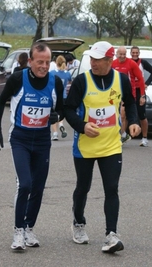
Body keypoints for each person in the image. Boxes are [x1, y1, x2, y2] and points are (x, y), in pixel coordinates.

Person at [64, 41, 141, 253]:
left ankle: (111, 235)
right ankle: (78, 222)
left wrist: (133, 121)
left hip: (111, 146)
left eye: (97, 59)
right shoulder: (82, 81)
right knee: (83, 187)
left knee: (111, 188)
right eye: (91, 59)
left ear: (109, 61)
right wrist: (82, 126)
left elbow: (131, 102)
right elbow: (68, 109)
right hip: (85, 147)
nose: (93, 63)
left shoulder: (121, 79)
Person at [0, 42, 65, 251]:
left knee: (39, 187)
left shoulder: (56, 82)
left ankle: (29, 228)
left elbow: (62, 110)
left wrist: (57, 116)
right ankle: (18, 231)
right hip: (20, 138)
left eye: (47, 62)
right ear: (30, 61)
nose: (44, 66)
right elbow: (0, 102)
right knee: (24, 184)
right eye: (40, 62)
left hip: (42, 140)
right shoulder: (18, 78)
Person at [111, 46, 145, 144]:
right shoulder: (113, 63)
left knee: (123, 114)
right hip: (114, 94)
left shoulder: (131, 64)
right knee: (118, 115)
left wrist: (142, 95)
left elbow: (140, 79)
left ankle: (122, 135)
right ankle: (122, 134)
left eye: (124, 54)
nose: (122, 56)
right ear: (117, 54)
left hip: (129, 94)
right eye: (120, 54)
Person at [130, 46, 152, 147]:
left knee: (142, 114)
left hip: (140, 91)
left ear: (139, 53)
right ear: (130, 53)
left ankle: (144, 138)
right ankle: (123, 135)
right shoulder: (128, 62)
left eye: (136, 52)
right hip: (130, 90)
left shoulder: (143, 62)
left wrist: (147, 83)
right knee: (124, 113)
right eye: (133, 52)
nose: (135, 54)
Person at [50, 55, 71, 140]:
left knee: (53, 114)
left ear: (56, 63)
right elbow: (69, 83)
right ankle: (61, 124)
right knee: (60, 113)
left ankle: (55, 133)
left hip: (54, 96)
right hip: (64, 96)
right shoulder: (68, 73)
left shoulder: (52, 72)